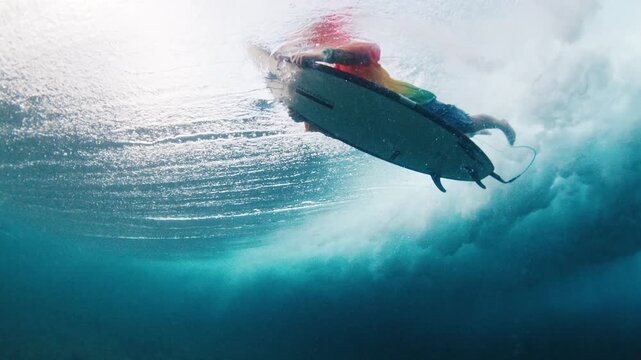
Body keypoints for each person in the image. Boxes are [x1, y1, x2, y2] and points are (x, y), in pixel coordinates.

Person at [289, 40, 516, 145]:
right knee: (455, 133)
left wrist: (311, 54)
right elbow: (346, 127)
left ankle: (498, 123)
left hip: (416, 102)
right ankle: (472, 134)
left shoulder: (356, 60)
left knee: (466, 125)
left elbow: (338, 55)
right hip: (392, 118)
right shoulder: (337, 85)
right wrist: (310, 119)